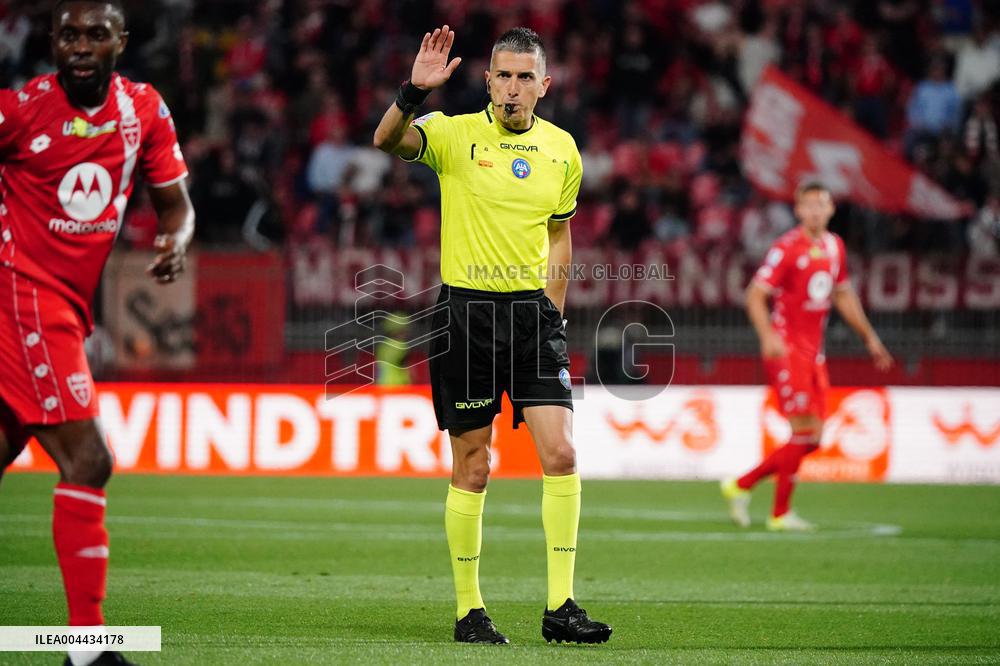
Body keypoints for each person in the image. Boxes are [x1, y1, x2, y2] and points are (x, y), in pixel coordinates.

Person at [373, 25, 611, 645]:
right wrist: (412, 92)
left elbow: (560, 233)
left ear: (544, 85)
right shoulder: (453, 134)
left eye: (524, 77)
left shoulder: (563, 151)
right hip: (467, 316)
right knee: (474, 464)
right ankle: (468, 611)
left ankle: (561, 606)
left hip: (533, 319)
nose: (511, 88)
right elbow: (386, 139)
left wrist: (553, 309)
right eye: (502, 75)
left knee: (560, 454)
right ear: (486, 81)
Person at [0, 2, 194, 664]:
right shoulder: (21, 110)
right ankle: (87, 648)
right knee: (90, 459)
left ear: (121, 42)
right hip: (22, 295)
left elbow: (177, 206)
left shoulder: (142, 110)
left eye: (94, 35)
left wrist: (175, 241)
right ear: (51, 42)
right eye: (68, 35)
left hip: (62, 307)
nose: (80, 46)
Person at [721, 182, 891, 531]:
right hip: (787, 349)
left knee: (812, 438)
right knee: (804, 431)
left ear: (831, 210)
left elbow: (843, 295)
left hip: (815, 353)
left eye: (821, 204)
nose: (815, 211)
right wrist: (768, 336)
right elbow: (754, 295)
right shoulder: (786, 247)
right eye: (808, 205)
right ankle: (779, 514)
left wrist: (869, 337)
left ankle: (742, 484)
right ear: (798, 210)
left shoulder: (834, 246)